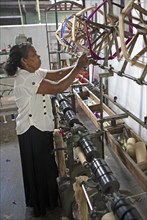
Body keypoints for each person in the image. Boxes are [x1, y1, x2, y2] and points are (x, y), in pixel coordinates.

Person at [4, 43, 89, 217]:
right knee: (39, 170)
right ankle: (42, 206)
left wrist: (76, 65)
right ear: (24, 61)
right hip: (31, 131)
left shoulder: (33, 72)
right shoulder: (25, 79)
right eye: (34, 55)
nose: (38, 57)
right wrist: (79, 67)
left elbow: (57, 74)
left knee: (46, 168)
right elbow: (58, 87)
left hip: (39, 127)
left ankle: (49, 202)